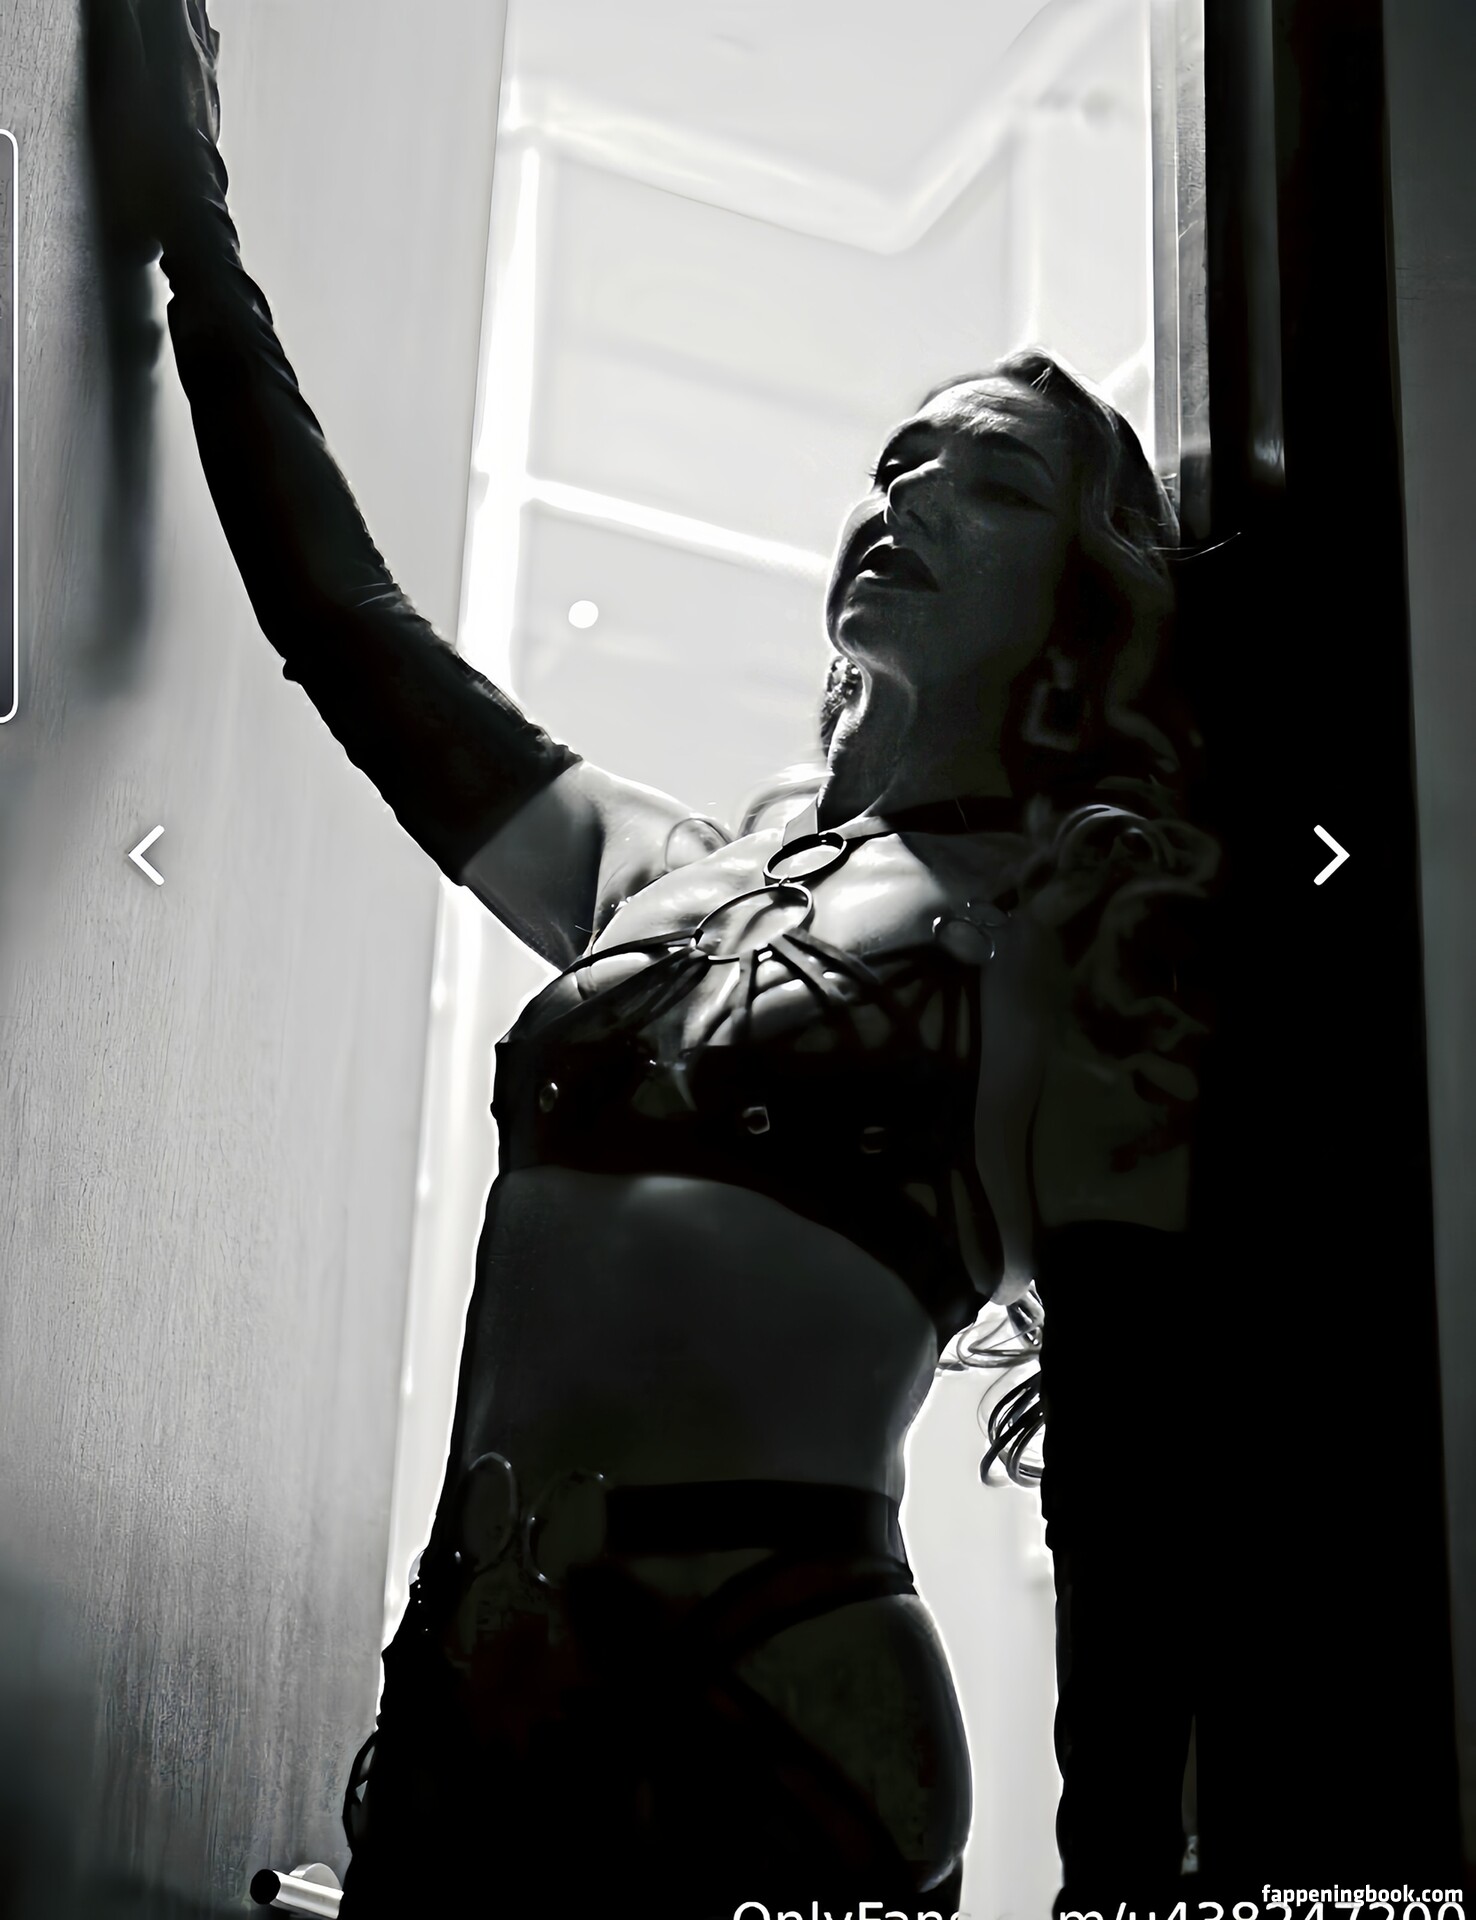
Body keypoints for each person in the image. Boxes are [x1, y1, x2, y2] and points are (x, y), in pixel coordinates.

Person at [87, 2, 1218, 1911]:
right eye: (896, 462)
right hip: (462, 1696)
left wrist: (1120, 1889)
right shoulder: (660, 868)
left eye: (993, 484)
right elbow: (347, 624)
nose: (907, 498)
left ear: (1082, 592)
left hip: (770, 1725)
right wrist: (193, 218)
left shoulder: (1082, 930)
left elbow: (1136, 1489)